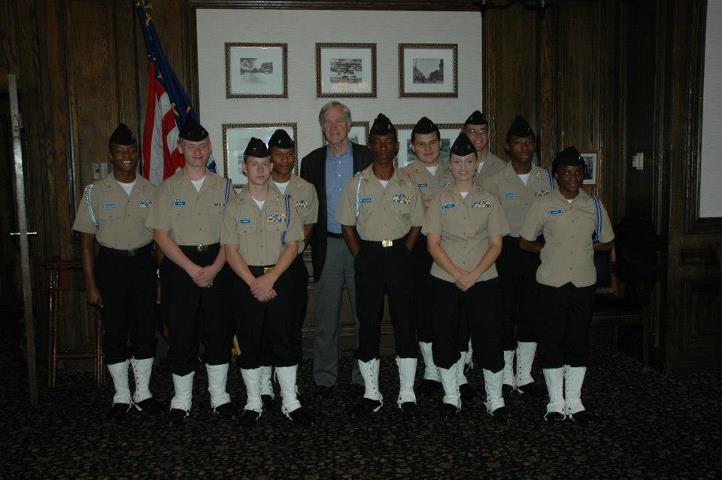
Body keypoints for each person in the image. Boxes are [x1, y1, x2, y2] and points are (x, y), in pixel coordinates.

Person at [145, 118, 235, 426]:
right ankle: (181, 400)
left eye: (202, 146)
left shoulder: (224, 187)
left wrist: (214, 267)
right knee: (181, 334)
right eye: (191, 146)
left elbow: (231, 236)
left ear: (209, 148)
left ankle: (219, 396)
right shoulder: (167, 188)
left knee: (218, 333)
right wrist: (192, 268)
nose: (197, 152)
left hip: (218, 265)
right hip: (179, 265)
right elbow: (160, 235)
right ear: (180, 148)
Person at [336, 113, 424, 417]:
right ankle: (372, 393)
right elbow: (347, 225)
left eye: (389, 143)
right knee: (369, 326)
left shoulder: (408, 183)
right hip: (369, 258)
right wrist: (361, 255)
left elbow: (417, 224)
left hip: (400, 256)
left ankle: (407, 392)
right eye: (378, 142)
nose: (384, 148)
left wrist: (406, 251)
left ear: (396, 147)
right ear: (370, 145)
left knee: (404, 325)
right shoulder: (357, 184)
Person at [73, 124, 163, 419]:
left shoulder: (152, 190)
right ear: (110, 155)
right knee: (114, 332)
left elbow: (161, 237)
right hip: (110, 266)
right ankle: (122, 394)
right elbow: (86, 243)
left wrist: (160, 273)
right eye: (120, 151)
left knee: (145, 330)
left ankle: (144, 392)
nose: (127, 156)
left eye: (132, 150)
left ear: (138, 154)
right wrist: (90, 284)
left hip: (143, 265)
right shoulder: (93, 192)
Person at [519, 146, 614, 425]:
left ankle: (574, 400)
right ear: (556, 176)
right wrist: (549, 250)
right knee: (552, 341)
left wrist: (589, 246)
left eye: (577, 172)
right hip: (551, 283)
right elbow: (525, 241)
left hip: (584, 283)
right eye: (566, 172)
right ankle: (556, 402)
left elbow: (608, 241)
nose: (573, 177)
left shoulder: (594, 204)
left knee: (578, 341)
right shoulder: (542, 204)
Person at [222, 138, 312, 427]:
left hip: (280, 279)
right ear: (244, 168)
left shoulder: (286, 203)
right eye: (253, 164)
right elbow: (230, 250)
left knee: (284, 340)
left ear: (271, 166)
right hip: (245, 280)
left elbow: (293, 245)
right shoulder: (233, 206)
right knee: (249, 343)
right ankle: (253, 401)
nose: (260, 169)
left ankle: (290, 401)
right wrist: (254, 283)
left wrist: (270, 278)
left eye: (264, 164)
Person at [423, 132, 511, 421]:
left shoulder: (489, 200)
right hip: (445, 280)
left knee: (489, 337)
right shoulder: (438, 199)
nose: (463, 166)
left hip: (484, 280)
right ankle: (451, 396)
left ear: (476, 164)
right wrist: (458, 274)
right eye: (457, 161)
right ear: (450, 164)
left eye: (469, 161)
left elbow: (496, 244)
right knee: (446, 337)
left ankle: (495, 399)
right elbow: (432, 243)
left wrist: (472, 274)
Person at [300, 101, 373, 398]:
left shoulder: (368, 158)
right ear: (322, 127)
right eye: (327, 122)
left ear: (349, 124)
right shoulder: (311, 162)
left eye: (338, 121)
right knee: (325, 318)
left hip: (362, 247)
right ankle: (325, 377)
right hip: (327, 246)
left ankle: (363, 376)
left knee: (363, 316)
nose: (333, 127)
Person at [482, 115, 552, 397]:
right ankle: (507, 373)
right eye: (518, 142)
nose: (524, 147)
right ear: (508, 147)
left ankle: (524, 374)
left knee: (531, 314)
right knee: (504, 313)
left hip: (538, 251)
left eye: (529, 142)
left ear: (534, 146)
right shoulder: (494, 181)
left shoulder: (547, 177)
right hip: (506, 252)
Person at [256, 129, 318, 408]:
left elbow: (309, 226)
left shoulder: (305, 189)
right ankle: (267, 383)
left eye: (289, 154)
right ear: (270, 158)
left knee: (292, 326)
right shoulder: (259, 187)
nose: (284, 159)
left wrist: (289, 254)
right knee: (265, 327)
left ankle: (289, 386)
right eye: (278, 154)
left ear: (294, 155)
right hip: (263, 267)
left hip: (292, 267)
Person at [399, 117, 454, 396]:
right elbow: (406, 212)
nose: (428, 148)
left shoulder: (455, 168)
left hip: (453, 247)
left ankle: (455, 371)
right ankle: (431, 369)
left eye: (433, 142)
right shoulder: (404, 175)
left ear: (440, 143)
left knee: (451, 309)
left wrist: (429, 204)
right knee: (423, 309)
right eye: (422, 144)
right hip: (419, 248)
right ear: (412, 147)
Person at [463, 110, 506, 184]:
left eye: (482, 131)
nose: (478, 135)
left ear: (488, 134)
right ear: (465, 134)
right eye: (472, 131)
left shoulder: (502, 168)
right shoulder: (457, 167)